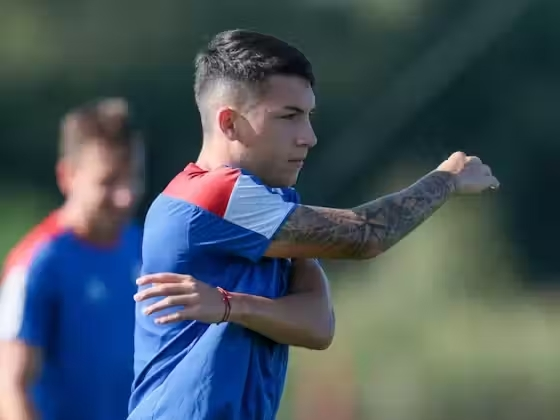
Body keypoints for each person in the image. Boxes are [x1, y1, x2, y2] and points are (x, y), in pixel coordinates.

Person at [128, 29, 499, 420]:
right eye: (289, 117)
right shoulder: (212, 195)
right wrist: (446, 180)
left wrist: (231, 306)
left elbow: (317, 326)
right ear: (230, 123)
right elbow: (364, 235)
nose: (309, 137)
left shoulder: (270, 204)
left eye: (308, 116)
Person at [0, 98, 145, 420]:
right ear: (67, 176)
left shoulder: (144, 246)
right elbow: (10, 388)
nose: (125, 196)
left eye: (133, 177)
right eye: (108, 181)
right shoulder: (37, 263)